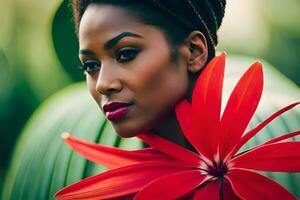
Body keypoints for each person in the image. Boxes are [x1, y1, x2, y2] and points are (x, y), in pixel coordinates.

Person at [71, 0, 226, 150]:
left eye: (125, 55)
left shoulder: (246, 159)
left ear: (193, 51)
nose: (102, 85)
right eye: (90, 66)